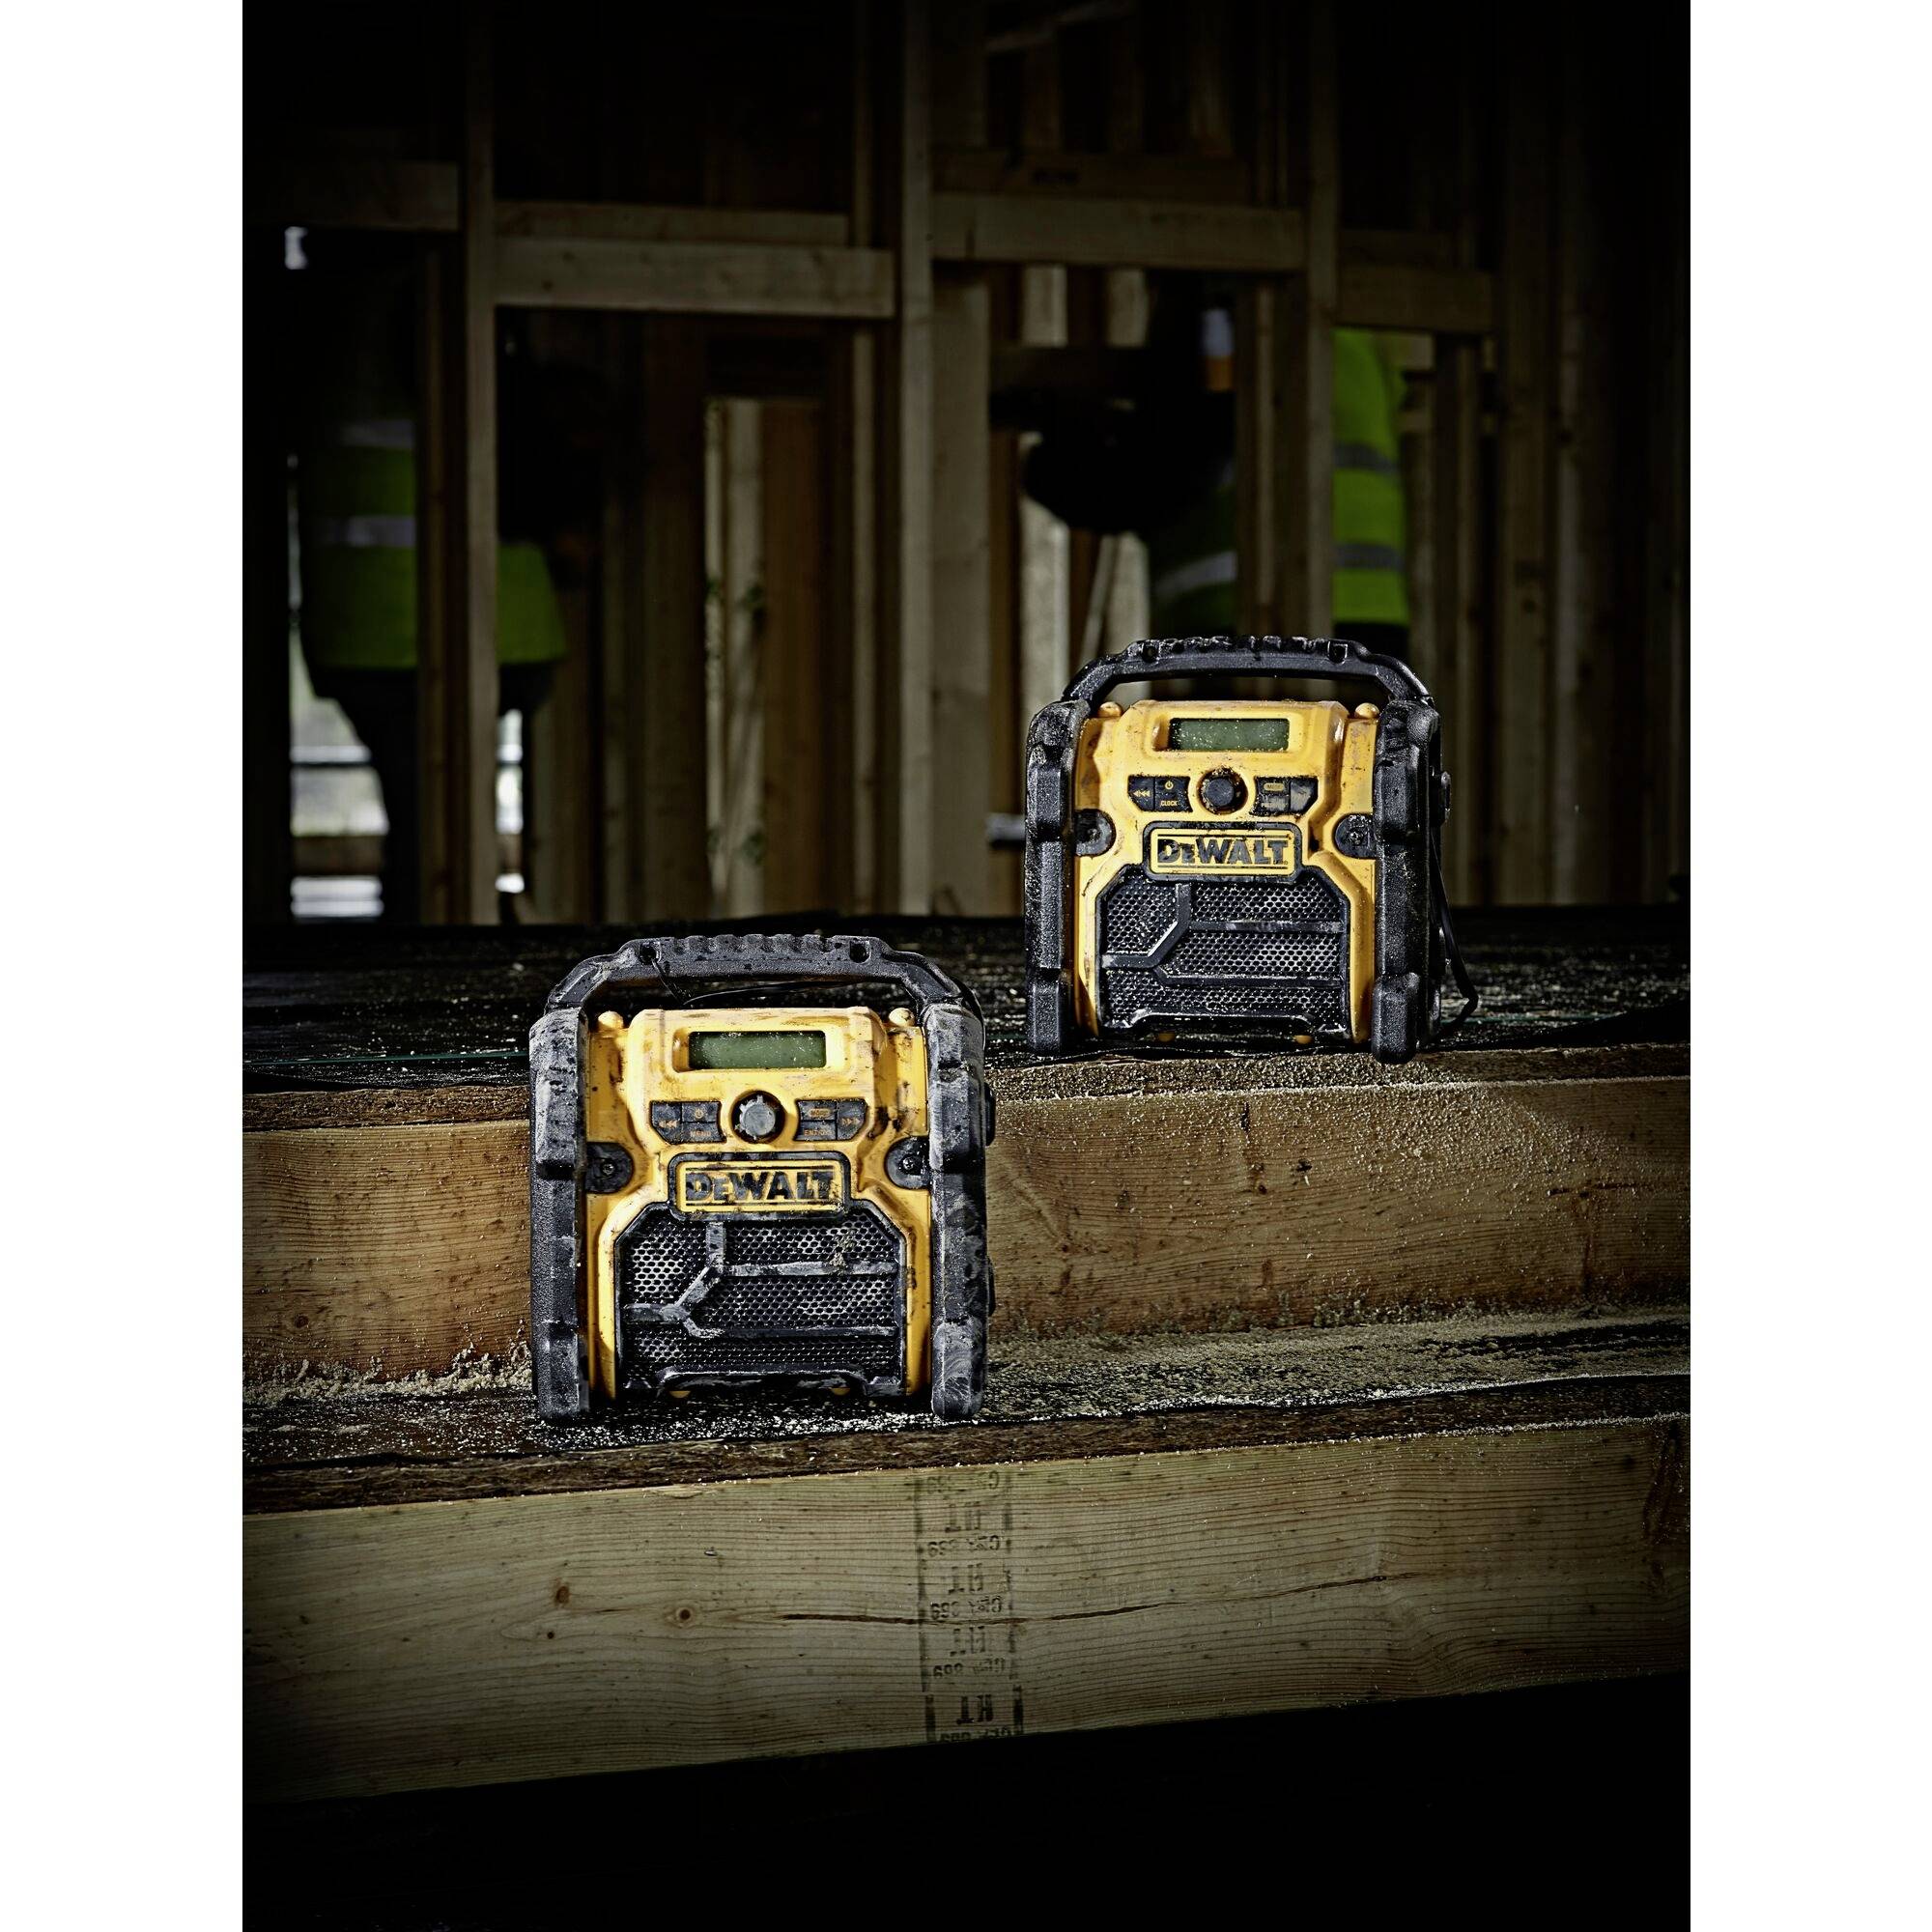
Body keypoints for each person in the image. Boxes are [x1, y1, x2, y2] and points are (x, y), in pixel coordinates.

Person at [290, 233, 570, 918]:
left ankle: (436, 937)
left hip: (368, 631)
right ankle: (448, 945)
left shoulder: (324, 315)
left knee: (426, 826)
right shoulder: (434, 290)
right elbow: (508, 433)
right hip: (468, 625)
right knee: (441, 835)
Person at [1016, 278, 1413, 662]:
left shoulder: (1217, 297)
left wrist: (1055, 459)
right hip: (1375, 615)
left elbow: (1170, 470)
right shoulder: (1352, 322)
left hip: (1239, 614)